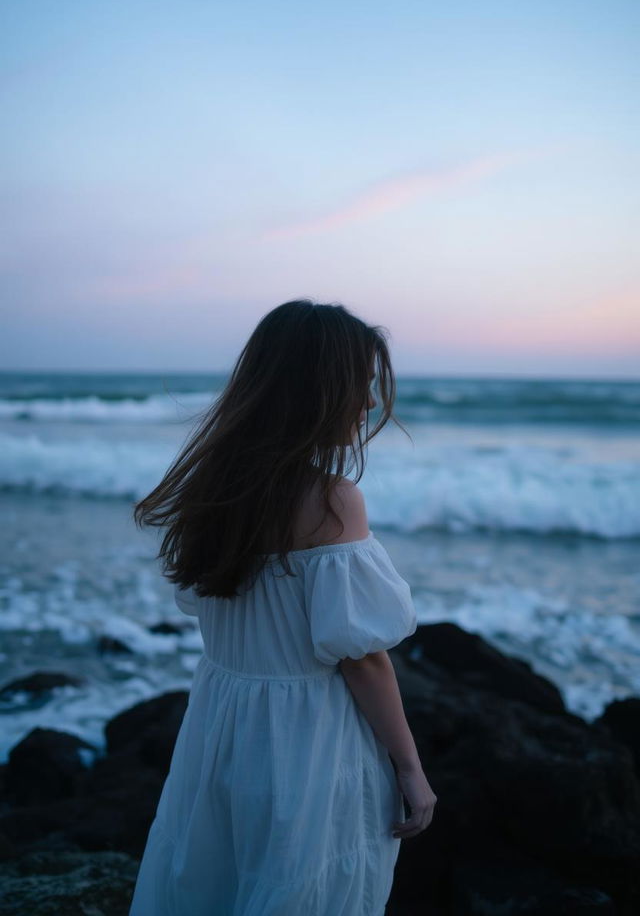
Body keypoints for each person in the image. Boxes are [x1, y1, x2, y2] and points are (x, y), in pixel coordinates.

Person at [128, 299, 437, 916]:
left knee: (210, 880)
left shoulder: (211, 489)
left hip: (220, 728)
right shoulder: (330, 500)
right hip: (307, 742)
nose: (369, 403)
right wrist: (410, 768)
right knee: (301, 887)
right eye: (360, 385)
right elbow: (362, 659)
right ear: (318, 390)